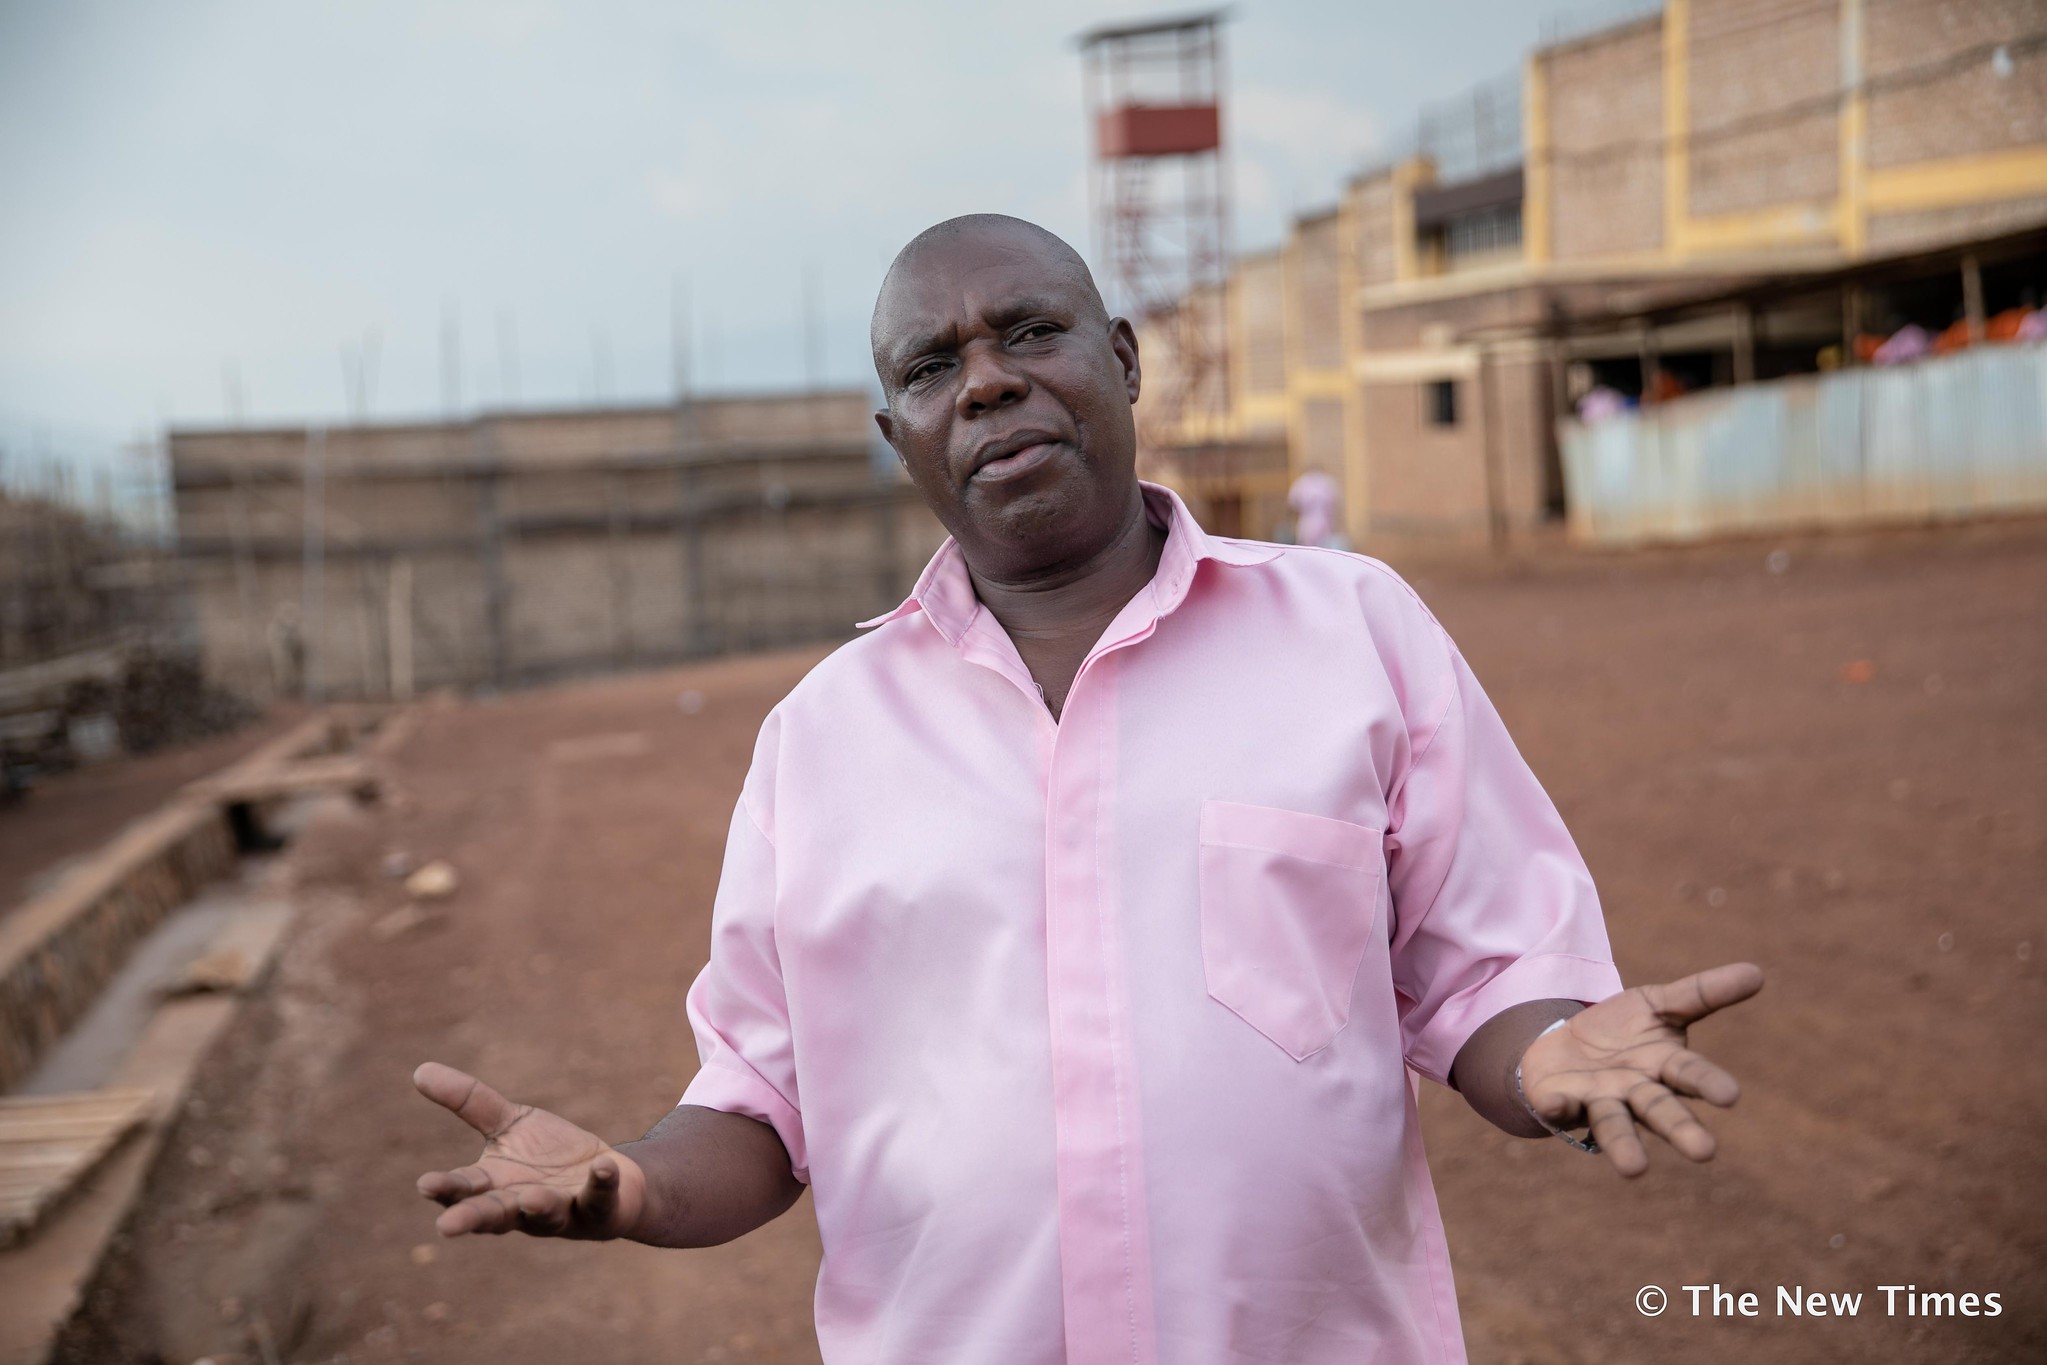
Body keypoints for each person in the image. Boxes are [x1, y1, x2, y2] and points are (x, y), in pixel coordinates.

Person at [413, 215, 1763, 1364]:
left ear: (1120, 357)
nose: (987, 384)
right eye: (933, 368)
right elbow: (760, 1100)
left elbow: (1480, 970)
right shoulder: (817, 738)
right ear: (901, 438)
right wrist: (637, 1185)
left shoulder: (1349, 629)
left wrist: (1546, 1057)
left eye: (1029, 333)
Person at [1286, 463, 1345, 549]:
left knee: (1308, 548)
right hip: (1324, 522)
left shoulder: (1301, 482)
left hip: (1308, 522)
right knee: (1324, 548)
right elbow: (1337, 504)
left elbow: (1293, 503)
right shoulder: (1328, 482)